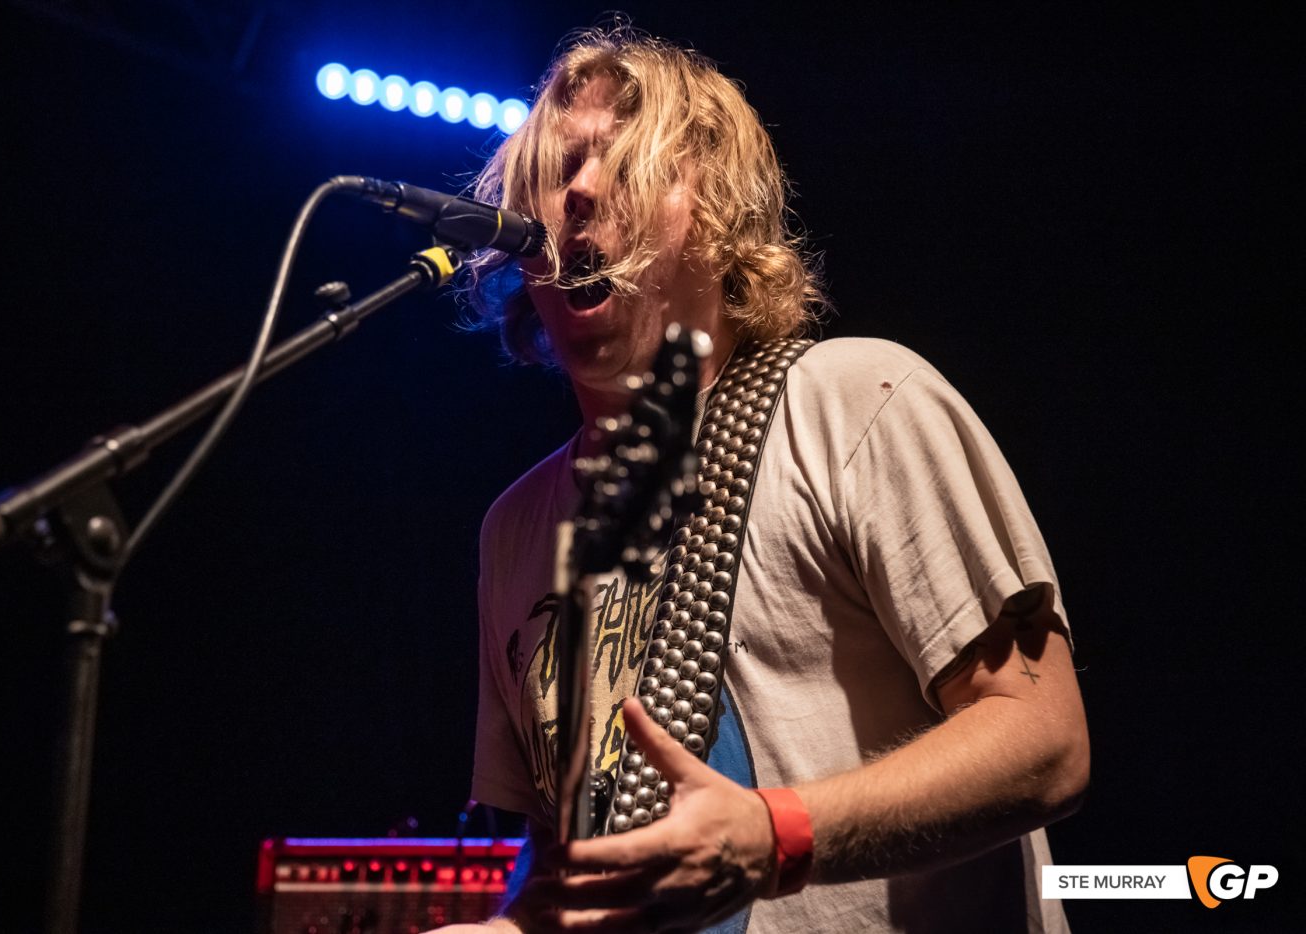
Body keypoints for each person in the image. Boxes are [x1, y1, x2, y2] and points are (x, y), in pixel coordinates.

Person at [446, 25, 1089, 934]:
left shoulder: (855, 403)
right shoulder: (515, 531)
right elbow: (573, 859)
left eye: (621, 160)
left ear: (712, 208)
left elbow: (1044, 741)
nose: (579, 191)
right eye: (556, 169)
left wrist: (776, 834)